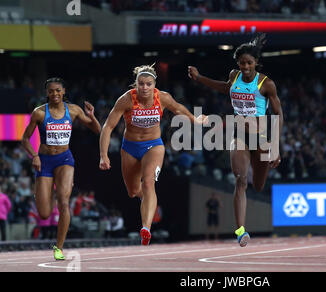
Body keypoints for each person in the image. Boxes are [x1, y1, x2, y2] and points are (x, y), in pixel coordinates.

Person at [188, 33, 284, 247]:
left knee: (257, 186)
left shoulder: (266, 84)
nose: (246, 67)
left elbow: (278, 115)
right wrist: (200, 78)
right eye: (242, 63)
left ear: (256, 63)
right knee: (240, 180)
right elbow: (224, 88)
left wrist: (276, 146)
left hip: (260, 138)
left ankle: (259, 177)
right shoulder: (234, 76)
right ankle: (240, 231)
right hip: (239, 135)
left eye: (249, 63)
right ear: (238, 64)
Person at [99, 63, 208, 245]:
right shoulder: (126, 100)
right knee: (133, 191)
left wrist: (194, 119)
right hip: (130, 147)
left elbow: (179, 109)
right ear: (136, 84)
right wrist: (104, 154)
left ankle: (146, 228)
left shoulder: (162, 98)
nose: (144, 87)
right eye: (141, 83)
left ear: (154, 84)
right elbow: (108, 127)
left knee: (149, 182)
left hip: (153, 146)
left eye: (148, 84)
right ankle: (149, 200)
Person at [22, 77, 101, 259]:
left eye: (58, 90)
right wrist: (34, 156)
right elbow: (25, 138)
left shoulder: (73, 110)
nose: (55, 94)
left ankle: (59, 247)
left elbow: (97, 130)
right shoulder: (39, 113)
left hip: (65, 159)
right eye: (51, 91)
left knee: (64, 202)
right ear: (46, 93)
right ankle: (44, 192)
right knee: (43, 214)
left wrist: (92, 116)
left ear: (64, 91)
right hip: (44, 161)